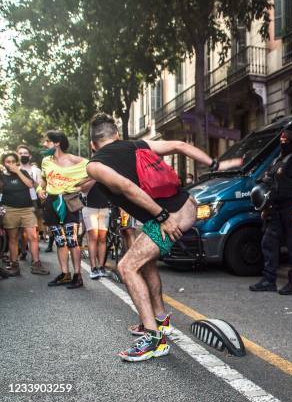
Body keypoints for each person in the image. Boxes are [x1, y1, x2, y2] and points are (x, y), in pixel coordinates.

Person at [87, 113, 241, 362]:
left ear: (93, 145)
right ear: (116, 135)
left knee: (126, 267)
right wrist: (214, 164)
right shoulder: (136, 144)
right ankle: (161, 320)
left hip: (171, 215)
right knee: (144, 263)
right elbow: (179, 145)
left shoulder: (95, 164)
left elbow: (128, 188)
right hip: (184, 204)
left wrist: (162, 217)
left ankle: (154, 339)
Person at [249, 126, 292, 295]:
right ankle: (269, 280)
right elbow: (269, 184)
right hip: (275, 209)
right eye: (281, 141)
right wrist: (265, 207)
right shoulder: (277, 160)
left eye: (286, 141)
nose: (283, 143)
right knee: (268, 242)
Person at [38, 131, 91, 289]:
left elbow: (95, 173)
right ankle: (64, 274)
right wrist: (41, 188)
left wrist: (82, 187)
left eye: (47, 141)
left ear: (57, 143)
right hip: (51, 203)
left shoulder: (76, 160)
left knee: (72, 240)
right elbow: (44, 179)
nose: (44, 144)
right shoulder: (46, 161)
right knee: (60, 242)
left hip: (68, 201)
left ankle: (77, 276)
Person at [0, 152, 44, 276]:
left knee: (33, 236)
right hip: (9, 209)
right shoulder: (2, 176)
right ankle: (14, 264)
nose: (11, 164)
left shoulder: (23, 173)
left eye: (13, 161)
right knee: (13, 238)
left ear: (17, 162)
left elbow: (30, 185)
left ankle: (36, 264)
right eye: (8, 162)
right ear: (4, 163)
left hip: (27, 209)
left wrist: (18, 172)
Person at [17, 145, 44, 257]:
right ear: (17, 155)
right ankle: (23, 249)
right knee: (21, 230)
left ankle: (34, 253)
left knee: (34, 228)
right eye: (21, 153)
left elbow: (40, 184)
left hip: (34, 201)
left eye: (25, 153)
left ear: (30, 156)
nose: (23, 155)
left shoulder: (36, 170)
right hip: (18, 202)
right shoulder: (15, 170)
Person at [82, 183, 110, 279]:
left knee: (102, 238)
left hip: (105, 208)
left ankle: (101, 267)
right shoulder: (88, 172)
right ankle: (93, 268)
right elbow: (82, 189)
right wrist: (94, 177)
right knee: (93, 237)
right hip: (90, 207)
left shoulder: (105, 171)